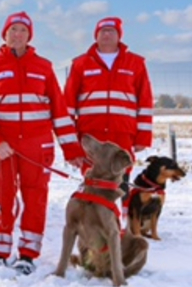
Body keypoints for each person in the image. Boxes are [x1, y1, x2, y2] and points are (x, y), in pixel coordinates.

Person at [0, 12, 82, 274]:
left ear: (29, 35)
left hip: (37, 145)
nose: (17, 35)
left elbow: (59, 111)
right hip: (2, 146)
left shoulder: (44, 67)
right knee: (1, 198)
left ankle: (28, 254)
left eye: (22, 30)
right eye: (12, 30)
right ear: (4, 34)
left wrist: (72, 149)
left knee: (35, 199)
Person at [64, 17, 153, 225]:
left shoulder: (136, 63)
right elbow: (67, 105)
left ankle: (117, 222)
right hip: (91, 135)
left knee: (120, 177)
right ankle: (92, 222)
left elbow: (145, 102)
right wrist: (70, 141)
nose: (106, 34)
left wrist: (143, 136)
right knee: (92, 177)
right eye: (102, 31)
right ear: (95, 35)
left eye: (111, 31)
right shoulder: (80, 64)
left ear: (119, 36)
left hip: (122, 133)